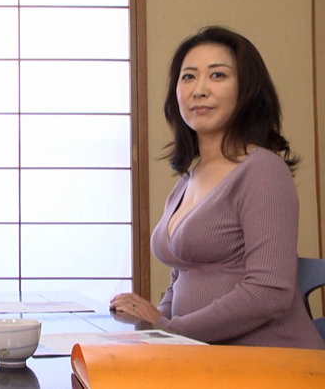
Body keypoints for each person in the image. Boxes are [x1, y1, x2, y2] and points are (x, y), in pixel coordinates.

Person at [110, 26, 325, 349]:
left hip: (270, 360)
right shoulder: (189, 179)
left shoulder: (263, 170)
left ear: (247, 89)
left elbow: (269, 292)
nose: (199, 90)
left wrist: (171, 328)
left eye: (217, 75)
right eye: (188, 77)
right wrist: (153, 324)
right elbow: (182, 275)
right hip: (202, 354)